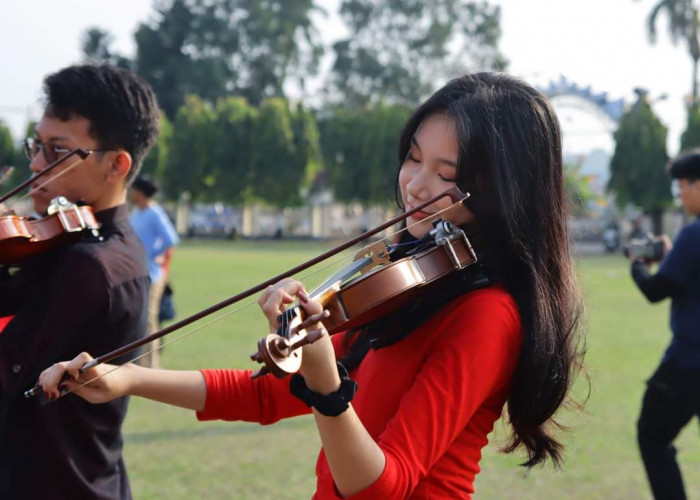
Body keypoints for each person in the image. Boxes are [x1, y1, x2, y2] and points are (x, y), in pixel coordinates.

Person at [39, 73, 584, 499]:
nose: (416, 185)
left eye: (447, 175)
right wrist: (127, 377)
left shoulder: (488, 314)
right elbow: (264, 393)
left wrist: (327, 385)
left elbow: (382, 486)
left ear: (500, 189)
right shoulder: (411, 281)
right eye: (414, 158)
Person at [0, 64, 160, 500]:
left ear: (117, 164)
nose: (35, 164)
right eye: (37, 145)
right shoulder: (71, 240)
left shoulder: (94, 265)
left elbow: (9, 381)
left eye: (57, 151)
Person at [628, 150, 700, 500]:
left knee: (652, 435)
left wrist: (638, 264)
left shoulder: (694, 235)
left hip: (689, 364)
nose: (681, 195)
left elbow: (658, 290)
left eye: (682, 187)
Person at [129, 175, 179, 368]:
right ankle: (139, 362)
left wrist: (153, 254)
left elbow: (171, 239)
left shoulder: (154, 213)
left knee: (149, 320)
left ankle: (152, 365)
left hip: (152, 274)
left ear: (140, 192)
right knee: (138, 318)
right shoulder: (136, 213)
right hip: (136, 271)